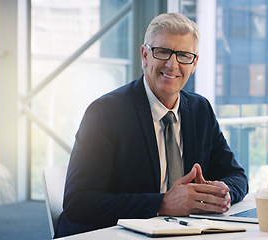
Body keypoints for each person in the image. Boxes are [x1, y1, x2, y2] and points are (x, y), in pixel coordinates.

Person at [56, 12, 248, 238]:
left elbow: (236, 175)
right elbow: (79, 202)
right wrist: (163, 203)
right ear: (145, 55)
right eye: (163, 52)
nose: (172, 64)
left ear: (194, 63)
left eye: (184, 55)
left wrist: (222, 193)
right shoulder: (105, 113)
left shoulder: (200, 110)